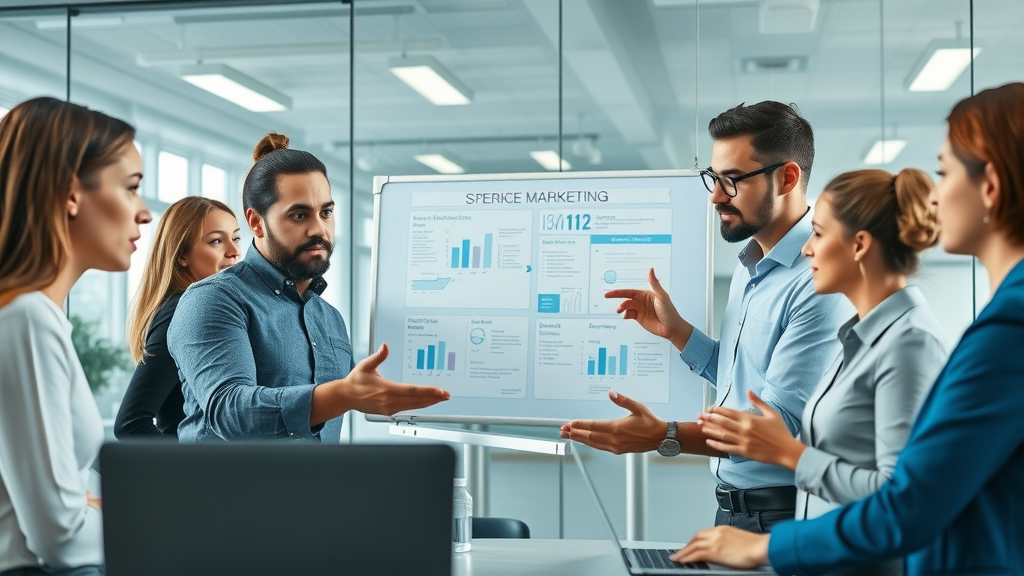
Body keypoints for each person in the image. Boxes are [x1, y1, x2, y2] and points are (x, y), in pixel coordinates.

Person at [674, 82, 1024, 576]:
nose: (934, 194)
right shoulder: (861, 337)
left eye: (945, 172)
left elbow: (906, 503)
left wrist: (768, 543)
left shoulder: (997, 329)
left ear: (989, 186)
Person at [561, 101, 853, 533]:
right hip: (736, 511)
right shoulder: (750, 264)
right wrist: (679, 333)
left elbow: (780, 425)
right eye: (713, 179)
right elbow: (747, 384)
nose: (716, 196)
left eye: (732, 181)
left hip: (786, 515)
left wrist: (665, 434)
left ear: (787, 178)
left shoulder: (820, 279)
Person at [694, 168, 949, 575]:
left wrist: (787, 453)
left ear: (859, 245)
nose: (808, 249)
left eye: (817, 233)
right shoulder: (862, 337)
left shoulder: (911, 344)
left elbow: (900, 500)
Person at [167, 133, 449, 442]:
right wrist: (343, 394)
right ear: (256, 222)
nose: (319, 229)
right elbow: (231, 411)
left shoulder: (330, 319)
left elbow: (358, 393)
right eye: (299, 215)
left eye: (326, 212)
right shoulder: (214, 299)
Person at [0, 97, 152, 575]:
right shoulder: (26, 319)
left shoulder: (33, 316)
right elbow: (60, 538)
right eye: (131, 188)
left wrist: (88, 508)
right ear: (70, 193)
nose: (145, 213)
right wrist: (163, 523)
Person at [114, 197, 241, 439]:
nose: (234, 252)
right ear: (182, 255)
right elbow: (131, 424)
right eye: (216, 241)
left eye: (236, 238)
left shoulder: (213, 307)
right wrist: (188, 464)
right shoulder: (181, 311)